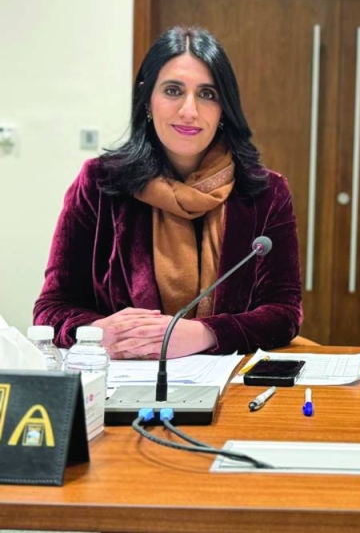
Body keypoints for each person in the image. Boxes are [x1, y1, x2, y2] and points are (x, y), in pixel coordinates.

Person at [34, 26, 303, 359]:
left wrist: (203, 334)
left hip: (228, 381)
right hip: (121, 380)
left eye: (207, 94)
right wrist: (97, 333)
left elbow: (284, 313)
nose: (189, 110)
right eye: (173, 90)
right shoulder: (99, 183)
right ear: (147, 99)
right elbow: (51, 309)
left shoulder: (266, 192)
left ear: (224, 108)